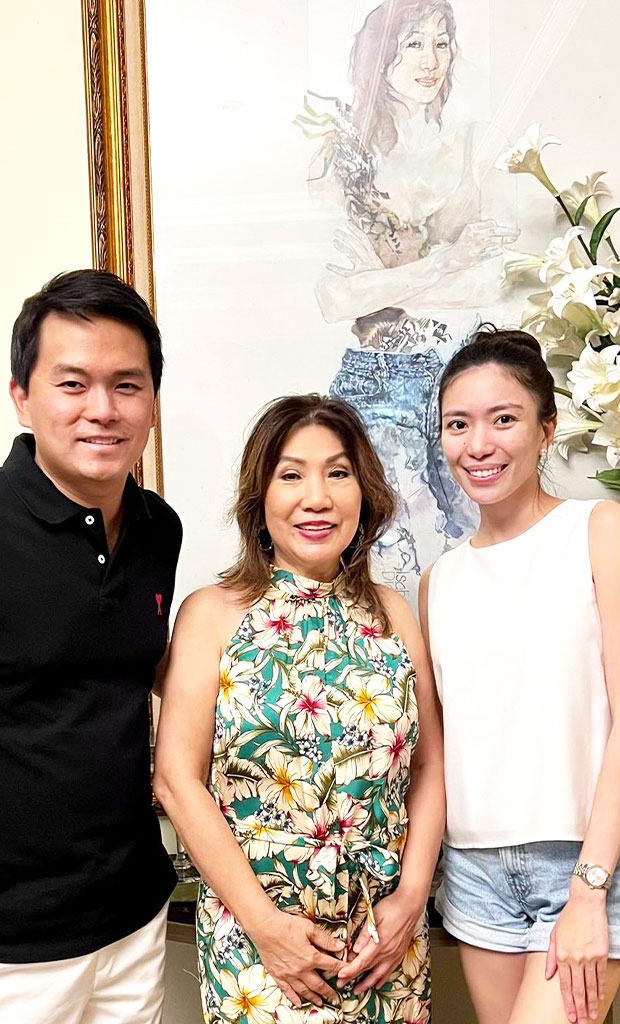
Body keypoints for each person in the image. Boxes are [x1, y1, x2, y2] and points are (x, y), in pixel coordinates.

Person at [0, 270, 182, 1024]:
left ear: (151, 402)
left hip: (132, 923)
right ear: (22, 397)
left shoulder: (157, 529)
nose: (102, 409)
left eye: (127, 385)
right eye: (73, 384)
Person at [153, 394, 445, 1023]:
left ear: (364, 492)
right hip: (258, 943)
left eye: (338, 473)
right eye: (291, 475)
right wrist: (265, 927)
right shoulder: (212, 613)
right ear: (259, 498)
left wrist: (410, 901)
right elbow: (177, 780)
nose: (318, 497)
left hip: (384, 944)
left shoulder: (393, 613)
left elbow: (430, 767)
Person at [421, 326, 620, 1024]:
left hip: (585, 858)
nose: (478, 444)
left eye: (504, 419)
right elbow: (441, 748)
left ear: (546, 429)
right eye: (458, 424)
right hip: (475, 869)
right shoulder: (439, 579)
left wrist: (590, 888)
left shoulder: (601, 529)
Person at [302, 0, 518, 596]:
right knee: (391, 551)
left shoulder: (477, 145)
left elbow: (492, 281)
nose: (431, 61)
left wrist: (388, 279)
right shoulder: (344, 160)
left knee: (478, 545)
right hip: (381, 378)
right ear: (380, 55)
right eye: (413, 44)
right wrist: (449, 259)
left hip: (464, 371)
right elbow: (336, 296)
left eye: (441, 43)